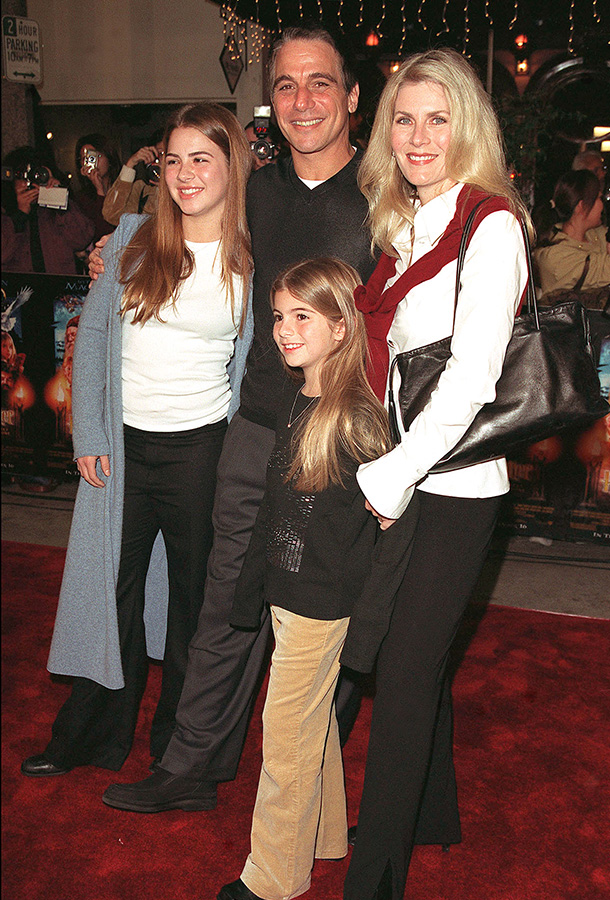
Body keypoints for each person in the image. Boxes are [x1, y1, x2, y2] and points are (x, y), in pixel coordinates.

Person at [99, 25, 375, 814]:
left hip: (339, 441)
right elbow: (182, 229)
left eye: (320, 82)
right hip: (254, 428)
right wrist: (111, 246)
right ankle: (192, 769)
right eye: (285, 85)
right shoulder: (257, 192)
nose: (302, 100)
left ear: (352, 98)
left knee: (329, 616)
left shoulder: (387, 199)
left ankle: (317, 780)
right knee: (226, 602)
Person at [339, 48, 531, 900]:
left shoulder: (488, 224)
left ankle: (374, 875)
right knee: (415, 655)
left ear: (468, 126)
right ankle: (430, 814)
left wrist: (393, 474)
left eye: (437, 118)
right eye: (404, 119)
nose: (418, 137)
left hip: (453, 485)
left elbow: (472, 378)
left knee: (407, 667)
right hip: (407, 470)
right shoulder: (406, 219)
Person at [20, 102, 254, 777]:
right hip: (121, 450)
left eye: (200, 158)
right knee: (109, 593)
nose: (184, 173)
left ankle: (176, 748)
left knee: (191, 605)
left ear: (230, 164)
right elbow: (92, 338)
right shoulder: (129, 238)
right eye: (173, 159)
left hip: (203, 452)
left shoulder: (250, 256)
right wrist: (87, 432)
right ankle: (92, 736)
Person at [218, 257, 390, 900]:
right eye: (279, 317)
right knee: (308, 722)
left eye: (303, 317)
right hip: (292, 593)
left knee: (285, 736)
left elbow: (382, 526)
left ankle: (274, 879)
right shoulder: (304, 396)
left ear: (343, 326)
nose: (285, 330)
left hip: (322, 603)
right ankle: (323, 839)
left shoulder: (355, 417)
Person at [2, 146, 95, 274]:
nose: (28, 183)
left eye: (34, 175)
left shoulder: (57, 208)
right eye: (21, 176)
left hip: (59, 288)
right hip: (19, 290)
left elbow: (82, 240)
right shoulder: (6, 215)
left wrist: (58, 197)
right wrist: (20, 215)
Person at [534, 169, 610, 302]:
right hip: (570, 322)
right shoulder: (555, 255)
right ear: (581, 205)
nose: (602, 203)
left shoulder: (594, 234)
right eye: (598, 198)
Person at [102, 129, 164, 224]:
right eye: (160, 154)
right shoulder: (141, 189)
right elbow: (111, 215)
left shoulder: (184, 189)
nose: (162, 160)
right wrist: (131, 164)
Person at [74, 133, 121, 242]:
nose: (91, 163)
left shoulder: (125, 189)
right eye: (84, 159)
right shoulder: (82, 199)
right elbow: (100, 233)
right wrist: (100, 191)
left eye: (95, 156)